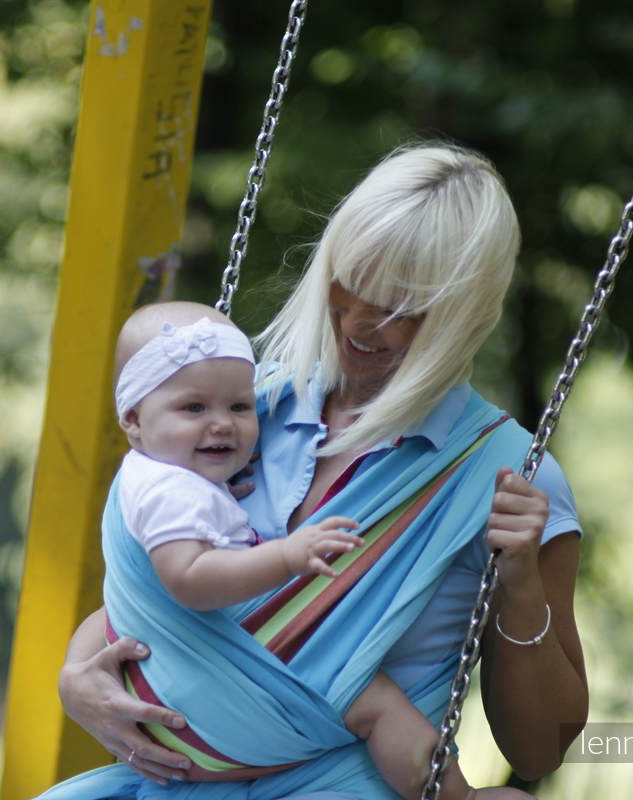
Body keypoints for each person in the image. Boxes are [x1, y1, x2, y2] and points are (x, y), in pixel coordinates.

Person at [54, 142, 589, 798]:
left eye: (402, 307)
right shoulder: (248, 409)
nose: (362, 321)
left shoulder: (510, 477)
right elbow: (176, 585)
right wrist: (78, 676)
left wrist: (522, 585)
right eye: (350, 282)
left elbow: (541, 747)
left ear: (464, 313)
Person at [81, 300, 521, 799]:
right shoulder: (170, 494)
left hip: (175, 702)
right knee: (370, 702)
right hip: (195, 703)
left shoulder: (166, 480)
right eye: (194, 408)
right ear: (134, 420)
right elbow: (189, 581)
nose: (222, 424)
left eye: (239, 407)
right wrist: (287, 556)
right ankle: (455, 795)